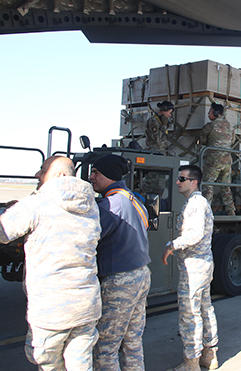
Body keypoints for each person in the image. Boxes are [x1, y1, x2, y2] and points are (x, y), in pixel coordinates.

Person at [0, 156, 101, 371]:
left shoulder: (38, 203)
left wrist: (4, 212)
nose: (37, 175)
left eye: (43, 169)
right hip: (86, 304)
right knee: (81, 363)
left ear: (58, 176)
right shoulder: (90, 205)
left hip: (52, 309)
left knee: (45, 362)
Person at [88, 155, 152, 371]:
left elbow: (88, 238)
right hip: (141, 275)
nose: (91, 177)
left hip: (120, 281)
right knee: (132, 341)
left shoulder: (111, 204)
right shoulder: (134, 199)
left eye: (96, 172)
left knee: (106, 347)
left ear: (109, 176)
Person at [162, 165, 219, 371]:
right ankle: (209, 355)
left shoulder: (196, 204)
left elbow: (194, 235)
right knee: (205, 308)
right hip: (202, 265)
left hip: (193, 268)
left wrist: (172, 246)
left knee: (190, 315)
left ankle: (191, 363)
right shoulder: (198, 202)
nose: (177, 182)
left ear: (194, 182)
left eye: (182, 179)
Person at [198, 102, 236, 216]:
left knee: (207, 185)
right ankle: (231, 211)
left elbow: (203, 140)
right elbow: (232, 141)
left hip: (214, 161)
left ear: (216, 113)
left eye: (210, 111)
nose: (208, 113)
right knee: (226, 187)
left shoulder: (209, 126)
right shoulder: (230, 126)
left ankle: (205, 213)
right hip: (227, 161)